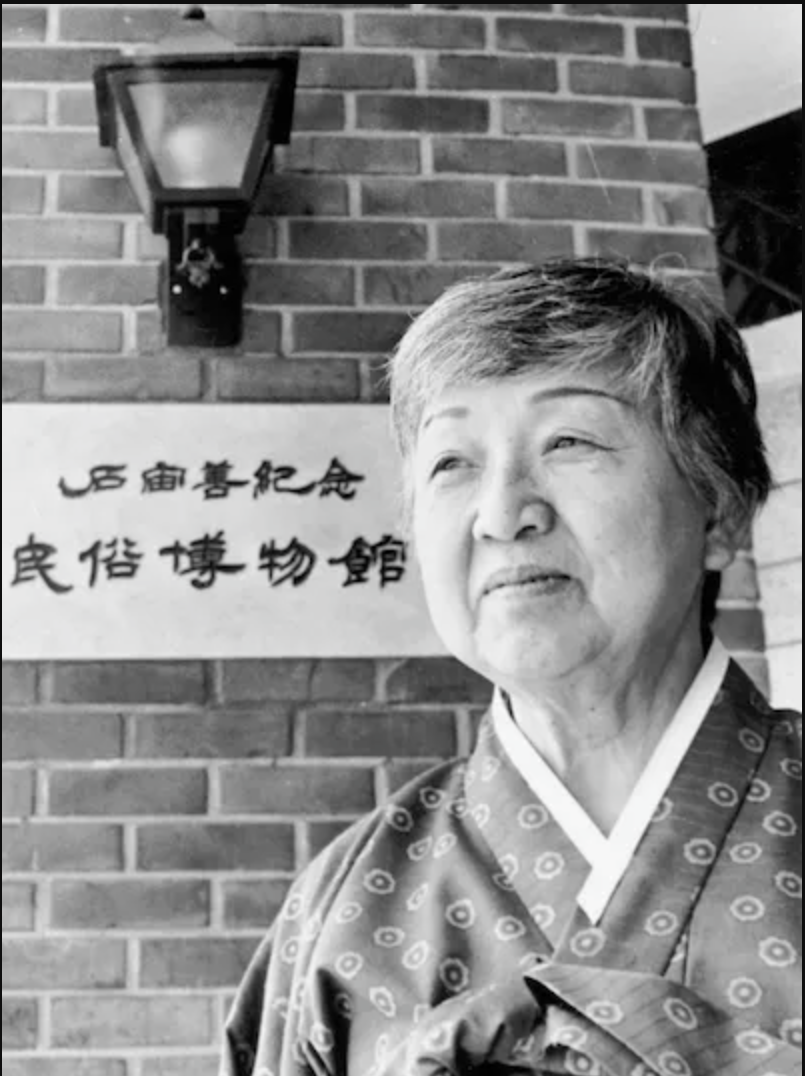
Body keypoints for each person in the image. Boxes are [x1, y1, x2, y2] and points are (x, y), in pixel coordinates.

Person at [220, 258, 802, 1076]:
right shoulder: (341, 905)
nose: (500, 514)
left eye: (569, 442)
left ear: (718, 512)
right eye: (451, 464)